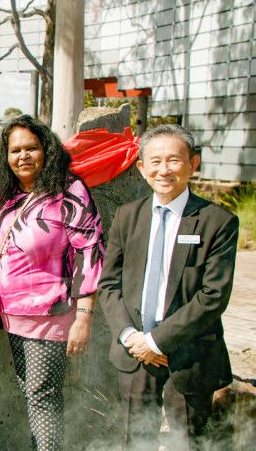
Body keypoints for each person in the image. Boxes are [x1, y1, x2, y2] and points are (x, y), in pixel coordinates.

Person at [0, 115, 105, 451]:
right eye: (15, 150)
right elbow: (3, 245)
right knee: (32, 393)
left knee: (43, 397)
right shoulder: (13, 196)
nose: (23, 156)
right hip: (11, 314)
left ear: (47, 150)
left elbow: (91, 253)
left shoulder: (68, 192)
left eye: (31, 147)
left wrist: (84, 317)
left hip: (49, 315)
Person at [97, 124, 239, 450]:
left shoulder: (218, 221)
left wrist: (157, 342)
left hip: (190, 354)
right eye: (155, 161)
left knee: (190, 441)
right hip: (135, 354)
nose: (164, 170)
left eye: (174, 160)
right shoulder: (127, 216)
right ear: (141, 168)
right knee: (136, 440)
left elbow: (213, 296)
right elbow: (108, 284)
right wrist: (132, 338)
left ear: (194, 164)